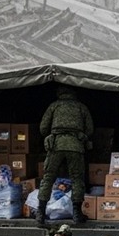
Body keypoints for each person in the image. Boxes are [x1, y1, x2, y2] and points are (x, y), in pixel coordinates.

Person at [36, 86, 94, 225]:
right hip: (75, 146)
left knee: (48, 178)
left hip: (56, 145)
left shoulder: (54, 106)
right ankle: (76, 214)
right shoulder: (81, 107)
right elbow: (90, 129)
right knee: (77, 179)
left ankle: (40, 213)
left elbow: (43, 128)